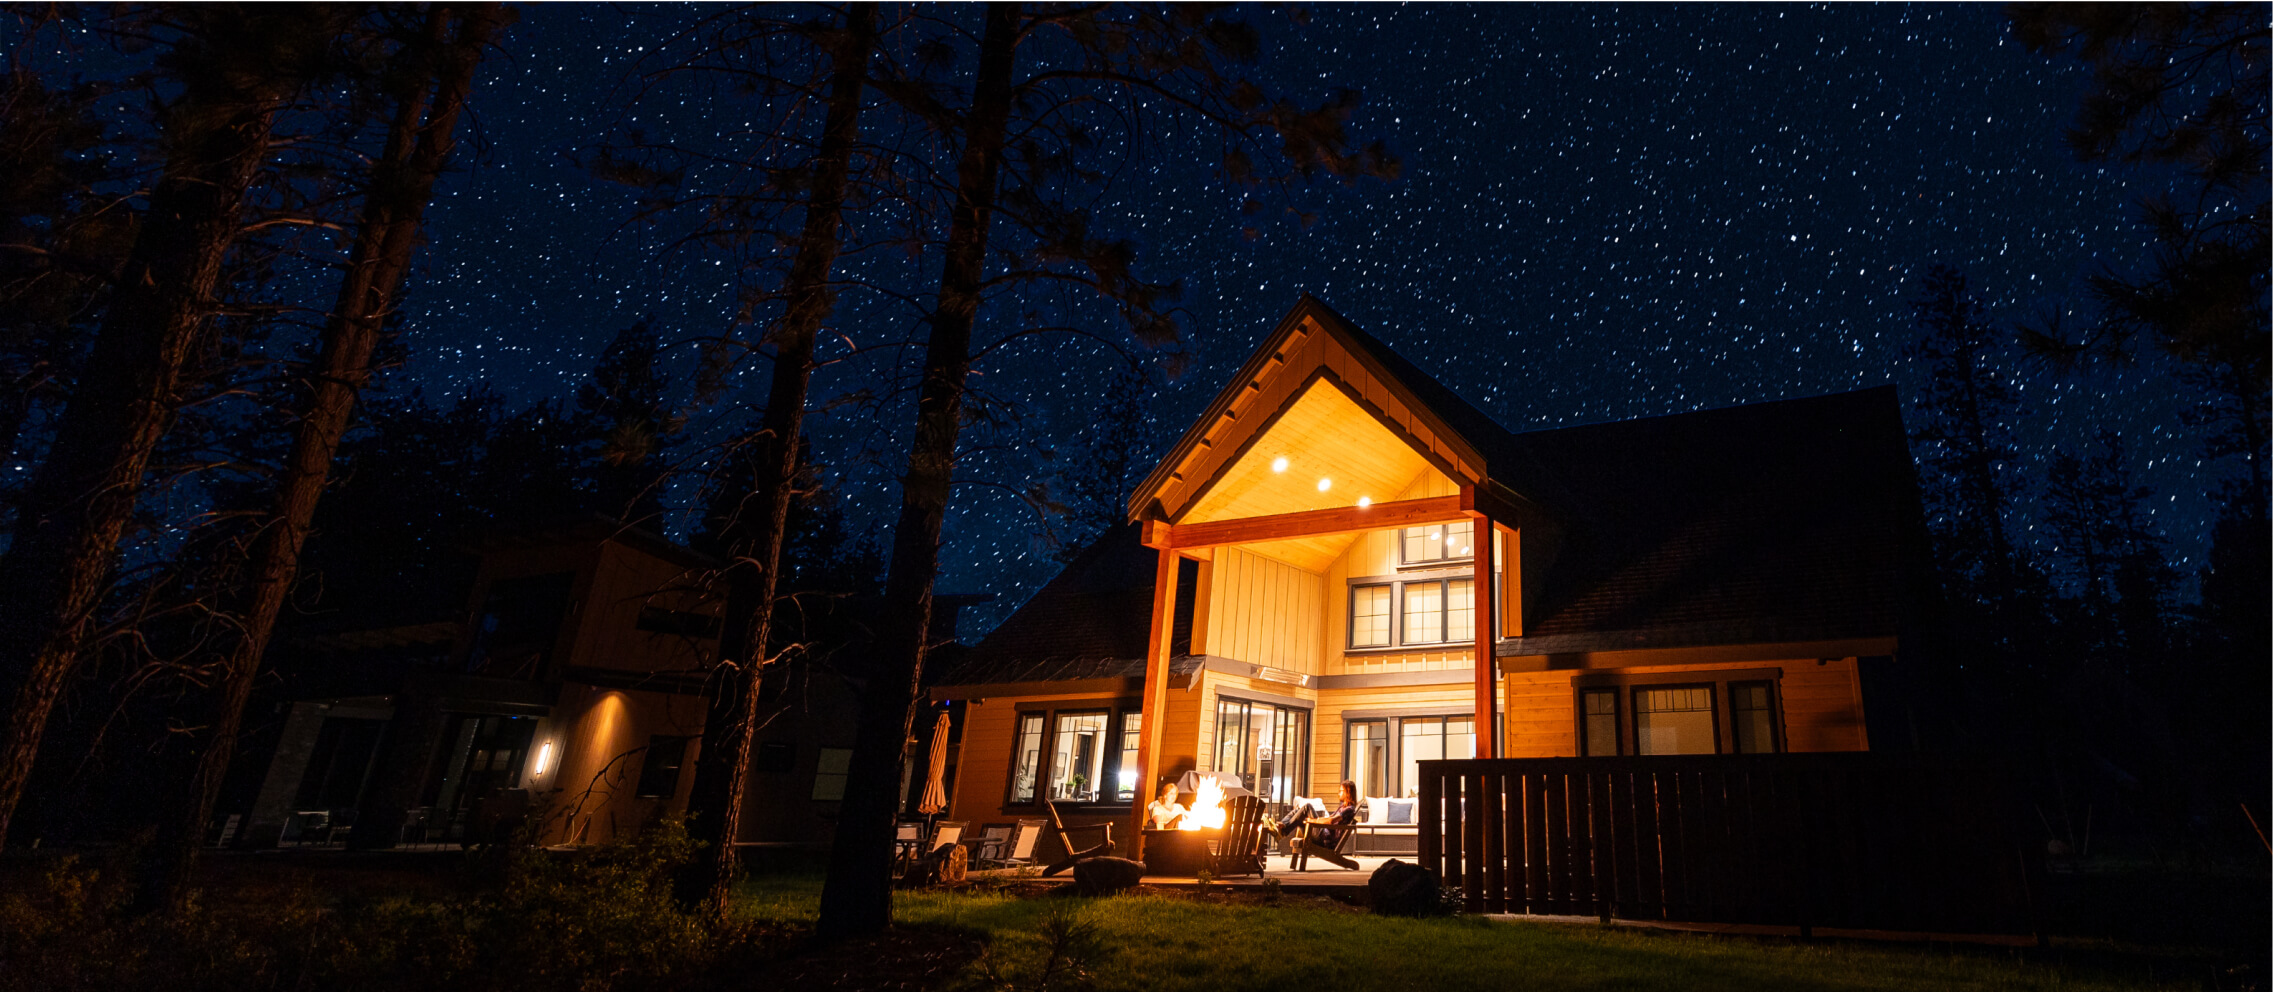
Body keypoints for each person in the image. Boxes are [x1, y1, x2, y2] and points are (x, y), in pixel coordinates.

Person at [1277, 780, 1361, 870]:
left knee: (1307, 807)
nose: (1338, 793)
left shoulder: (1349, 809)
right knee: (1297, 812)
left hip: (1325, 839)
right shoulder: (1342, 807)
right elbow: (1329, 818)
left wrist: (1314, 820)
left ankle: (1284, 830)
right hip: (1322, 833)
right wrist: (1315, 820)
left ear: (1348, 793)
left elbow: (1331, 821)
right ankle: (1283, 827)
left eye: (1341, 791)